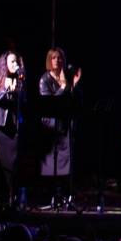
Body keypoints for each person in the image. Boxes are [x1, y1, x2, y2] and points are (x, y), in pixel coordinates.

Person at [0, 51, 29, 211]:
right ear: (4, 63)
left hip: (13, 126)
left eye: (16, 62)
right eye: (12, 61)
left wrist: (18, 90)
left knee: (13, 163)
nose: (15, 64)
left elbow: (24, 102)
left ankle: (12, 198)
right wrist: (6, 91)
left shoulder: (20, 80)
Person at [37, 48, 81, 210]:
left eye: (60, 57)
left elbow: (75, 101)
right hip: (52, 127)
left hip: (66, 125)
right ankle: (53, 195)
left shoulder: (67, 76)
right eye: (54, 58)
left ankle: (66, 196)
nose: (57, 60)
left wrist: (73, 85)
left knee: (67, 162)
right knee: (52, 163)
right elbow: (49, 103)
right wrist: (63, 86)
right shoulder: (45, 79)